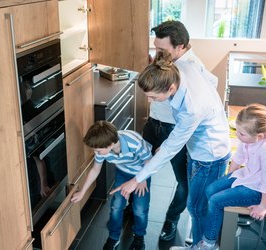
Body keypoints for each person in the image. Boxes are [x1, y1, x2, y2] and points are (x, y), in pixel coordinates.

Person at [111, 50, 231, 246]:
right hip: (200, 146)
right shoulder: (183, 67)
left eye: (153, 97)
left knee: (197, 208)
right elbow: (212, 79)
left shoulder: (191, 109)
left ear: (171, 88)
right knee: (196, 204)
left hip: (209, 155)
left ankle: (203, 245)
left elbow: (170, 149)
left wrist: (136, 179)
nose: (149, 101)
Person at [171, 104, 266, 250]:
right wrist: (225, 181)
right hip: (250, 178)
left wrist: (263, 206)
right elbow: (238, 159)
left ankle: (208, 243)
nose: (238, 135)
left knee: (215, 201)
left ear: (259, 136)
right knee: (210, 189)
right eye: (237, 131)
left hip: (264, 192)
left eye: (241, 134)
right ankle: (214, 231)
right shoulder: (249, 138)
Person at [142, 20, 219, 242]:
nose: (157, 53)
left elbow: (211, 83)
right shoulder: (168, 59)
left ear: (181, 46)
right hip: (153, 122)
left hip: (173, 128)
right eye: (156, 48)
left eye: (161, 50)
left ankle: (171, 220)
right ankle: (137, 207)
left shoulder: (191, 65)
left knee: (183, 181)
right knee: (143, 166)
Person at [71, 121, 153, 250]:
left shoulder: (134, 142)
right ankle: (113, 238)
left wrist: (142, 179)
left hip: (142, 173)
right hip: (122, 172)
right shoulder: (102, 148)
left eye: (97, 150)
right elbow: (95, 170)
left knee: (140, 209)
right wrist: (82, 192)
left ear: (110, 144)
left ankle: (139, 237)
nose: (95, 152)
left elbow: (149, 161)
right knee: (116, 206)